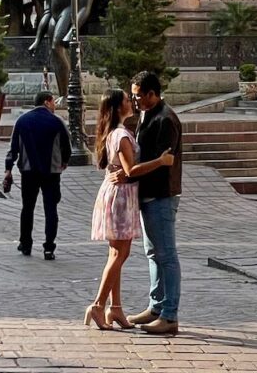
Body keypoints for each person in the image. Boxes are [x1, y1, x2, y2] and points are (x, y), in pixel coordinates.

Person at [84, 88, 175, 331]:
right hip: (121, 199)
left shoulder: (113, 132)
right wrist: (161, 161)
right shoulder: (122, 135)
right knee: (119, 255)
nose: (131, 102)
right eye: (126, 99)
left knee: (116, 255)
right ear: (116, 107)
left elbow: (122, 170)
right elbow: (131, 170)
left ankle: (115, 309)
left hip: (116, 195)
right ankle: (97, 305)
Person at [113, 71, 182, 336]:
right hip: (148, 194)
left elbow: (163, 162)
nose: (135, 99)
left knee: (167, 255)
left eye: (139, 95)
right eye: (133, 95)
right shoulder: (146, 114)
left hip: (161, 194)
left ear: (153, 93)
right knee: (153, 253)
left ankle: (169, 315)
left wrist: (132, 171)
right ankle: (156, 306)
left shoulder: (166, 119)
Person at [3, 90, 71, 260]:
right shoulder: (56, 121)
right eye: (54, 102)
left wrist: (8, 169)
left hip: (28, 171)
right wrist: (63, 162)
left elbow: (13, 148)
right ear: (47, 101)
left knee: (27, 208)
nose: (55, 105)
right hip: (52, 172)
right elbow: (66, 146)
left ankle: (25, 243)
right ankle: (49, 247)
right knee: (51, 209)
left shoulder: (22, 121)